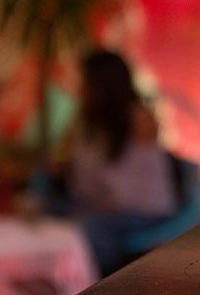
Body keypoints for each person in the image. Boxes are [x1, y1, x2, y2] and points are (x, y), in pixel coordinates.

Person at [62, 50, 188, 273]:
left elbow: (124, 189)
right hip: (103, 208)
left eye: (84, 81)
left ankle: (96, 283)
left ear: (101, 85)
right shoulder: (88, 122)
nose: (78, 89)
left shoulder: (138, 119)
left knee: (86, 229)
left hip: (144, 212)